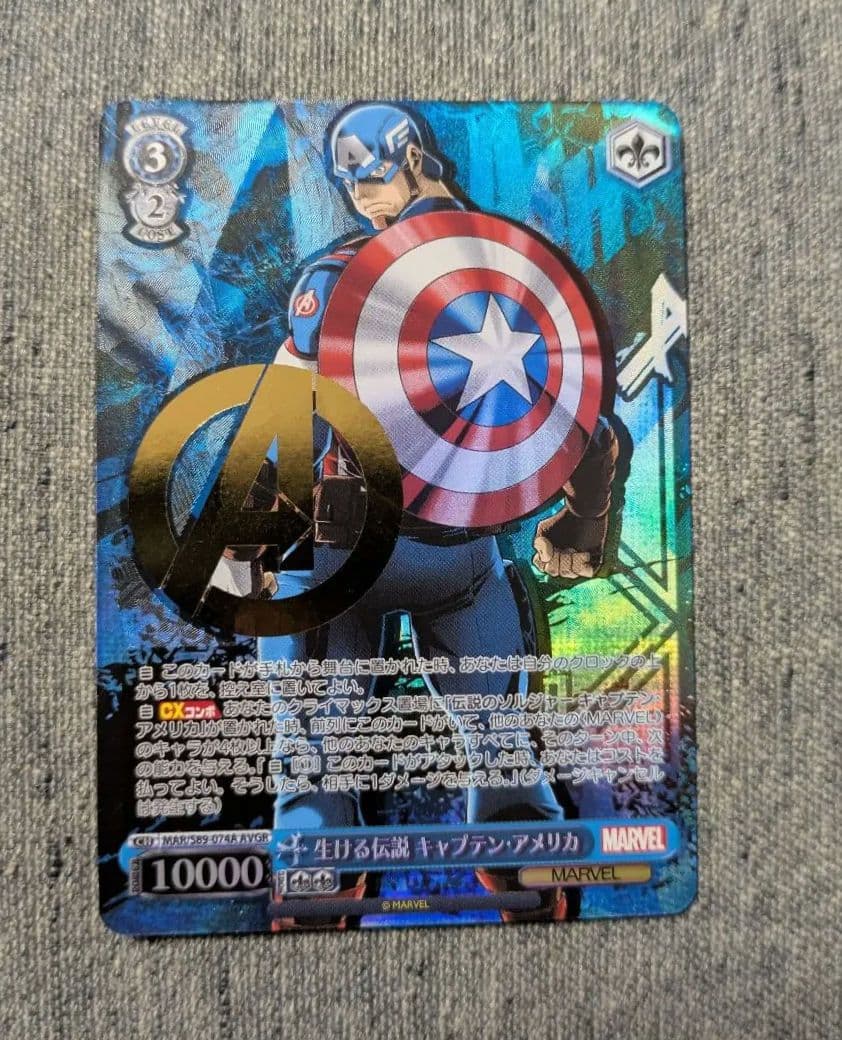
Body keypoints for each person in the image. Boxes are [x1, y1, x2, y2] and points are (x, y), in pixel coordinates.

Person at [240, 102, 619, 926]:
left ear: (410, 158)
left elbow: (280, 420)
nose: (356, 189)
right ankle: (507, 861)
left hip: (368, 554)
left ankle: (333, 863)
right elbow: (590, 428)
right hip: (435, 554)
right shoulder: (513, 269)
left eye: (367, 171)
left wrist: (251, 544)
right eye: (347, 175)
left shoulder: (340, 279)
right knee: (492, 748)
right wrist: (582, 524)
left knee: (324, 764)